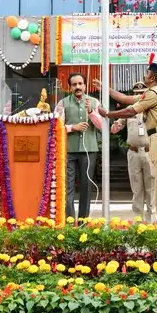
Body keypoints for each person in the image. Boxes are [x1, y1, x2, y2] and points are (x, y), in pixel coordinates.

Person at [98, 60, 157, 224]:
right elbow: (125, 98)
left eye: (147, 72)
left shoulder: (153, 93)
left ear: (152, 77)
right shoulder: (151, 92)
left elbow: (129, 111)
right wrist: (105, 88)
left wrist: (107, 113)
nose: (144, 74)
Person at [54, 73, 102, 222]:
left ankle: (83, 222)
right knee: (67, 186)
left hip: (89, 151)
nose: (78, 87)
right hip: (68, 151)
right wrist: (72, 127)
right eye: (74, 85)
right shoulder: (63, 103)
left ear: (85, 85)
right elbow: (55, 127)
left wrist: (90, 112)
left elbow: (102, 125)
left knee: (86, 187)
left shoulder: (94, 102)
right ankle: (69, 222)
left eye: (80, 84)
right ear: (70, 87)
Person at [110, 81, 156, 223]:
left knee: (151, 185)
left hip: (149, 152)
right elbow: (117, 126)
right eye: (136, 94)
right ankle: (138, 218)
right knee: (136, 186)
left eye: (141, 93)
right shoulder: (129, 110)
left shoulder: (152, 109)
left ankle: (151, 217)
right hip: (133, 152)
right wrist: (115, 126)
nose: (139, 96)